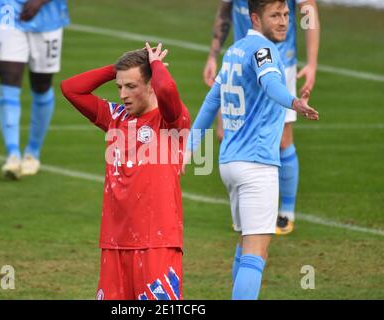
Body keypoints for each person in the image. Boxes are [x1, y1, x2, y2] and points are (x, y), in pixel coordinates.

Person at [185, 0, 318, 299]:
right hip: (257, 165)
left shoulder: (234, 52)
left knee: (247, 248)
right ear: (255, 18)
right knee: (256, 255)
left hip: (230, 163)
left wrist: (189, 148)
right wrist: (294, 102)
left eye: (286, 14)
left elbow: (210, 103)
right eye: (275, 16)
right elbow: (271, 83)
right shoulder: (265, 52)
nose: (283, 21)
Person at [61, 43, 190, 300]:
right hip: (115, 241)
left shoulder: (170, 121)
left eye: (131, 86)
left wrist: (154, 65)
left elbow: (167, 88)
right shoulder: (116, 118)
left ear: (151, 85)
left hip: (156, 242)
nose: (123, 95)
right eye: (119, 87)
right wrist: (117, 70)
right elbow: (71, 89)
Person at [203, 0, 320, 234]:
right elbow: (224, 12)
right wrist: (213, 55)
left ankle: (286, 214)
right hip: (240, 64)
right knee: (225, 131)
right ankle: (246, 208)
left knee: (283, 139)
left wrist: (312, 62)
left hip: (280, 65)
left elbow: (308, 9)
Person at [0, 0, 70, 179]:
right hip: (8, 12)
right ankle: (13, 155)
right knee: (9, 79)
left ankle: (32, 153)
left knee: (41, 85)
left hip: (48, 17)